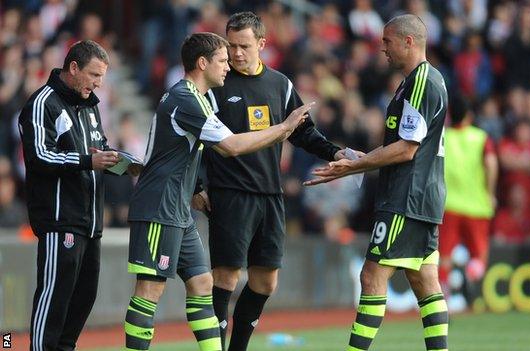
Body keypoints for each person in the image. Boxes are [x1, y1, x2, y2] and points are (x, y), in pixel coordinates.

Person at [123, 32, 312, 351]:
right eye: (223, 60)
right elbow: (231, 146)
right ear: (202, 63)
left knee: (202, 283)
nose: (229, 66)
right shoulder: (187, 98)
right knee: (149, 290)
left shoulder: (192, 98)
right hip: (158, 207)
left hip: (178, 210)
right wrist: (284, 128)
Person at [199, 12, 349, 351]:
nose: (236, 54)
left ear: (262, 45)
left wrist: (334, 153)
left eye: (244, 46)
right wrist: (197, 186)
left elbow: (302, 131)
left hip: (269, 193)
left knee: (266, 282)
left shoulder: (280, 84)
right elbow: (195, 138)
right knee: (225, 276)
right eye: (231, 46)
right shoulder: (217, 84)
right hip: (230, 192)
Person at [305, 14, 449, 351]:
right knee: (424, 279)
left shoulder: (421, 82)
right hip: (421, 196)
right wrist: (359, 158)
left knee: (372, 276)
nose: (382, 48)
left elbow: (406, 150)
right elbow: (407, 143)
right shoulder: (417, 81)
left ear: (408, 41)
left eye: (387, 41)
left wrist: (354, 168)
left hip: (406, 197)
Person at [19, 40, 121, 351]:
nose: (98, 83)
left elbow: (97, 149)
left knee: (82, 300)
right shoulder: (42, 103)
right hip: (59, 220)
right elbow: (38, 156)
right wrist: (87, 160)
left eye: (102, 76)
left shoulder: (90, 108)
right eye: (93, 75)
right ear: (73, 68)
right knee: (54, 298)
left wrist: (120, 163)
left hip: (90, 224)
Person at [438, 96, 497, 301]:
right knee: (480, 257)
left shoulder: (443, 136)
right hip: (477, 205)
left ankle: (443, 302)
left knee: (444, 257)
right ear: (470, 115)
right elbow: (490, 163)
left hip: (448, 205)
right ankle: (469, 273)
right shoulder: (481, 138)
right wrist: (490, 192)